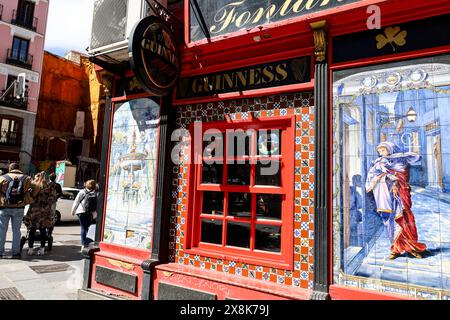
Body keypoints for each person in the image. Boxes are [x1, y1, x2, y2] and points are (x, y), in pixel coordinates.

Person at [365, 141, 427, 260]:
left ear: (390, 149)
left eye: (383, 150)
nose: (380, 153)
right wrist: (388, 178)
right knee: (391, 220)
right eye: (379, 151)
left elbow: (403, 177)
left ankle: (411, 247)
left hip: (401, 194)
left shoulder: (400, 161)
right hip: (387, 197)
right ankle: (396, 248)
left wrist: (395, 182)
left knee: (405, 218)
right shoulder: (380, 163)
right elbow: (372, 175)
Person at [0, 163, 39, 258]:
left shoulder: (2, 178)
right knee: (16, 231)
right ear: (19, 169)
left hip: (4, 207)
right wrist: (30, 196)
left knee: (2, 230)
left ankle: (0, 252)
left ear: (10, 168)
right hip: (19, 207)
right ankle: (16, 253)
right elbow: (37, 187)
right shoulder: (27, 178)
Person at [23, 172, 58, 256]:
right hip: (44, 212)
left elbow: (28, 197)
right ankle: (42, 249)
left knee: (32, 230)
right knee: (43, 230)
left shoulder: (33, 186)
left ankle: (30, 249)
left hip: (34, 212)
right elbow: (53, 199)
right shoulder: (49, 187)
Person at [72, 180, 97, 251]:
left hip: (81, 212)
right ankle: (88, 243)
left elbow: (76, 201)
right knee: (88, 228)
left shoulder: (82, 192)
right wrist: (95, 215)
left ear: (86, 185)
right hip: (90, 213)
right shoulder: (95, 193)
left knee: (83, 228)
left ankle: (83, 244)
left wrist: (73, 211)